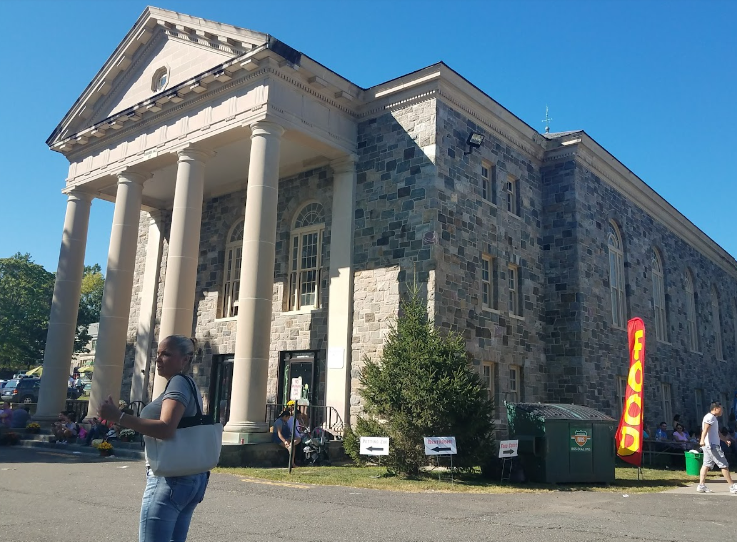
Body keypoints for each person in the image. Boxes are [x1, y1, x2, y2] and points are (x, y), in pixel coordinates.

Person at [98, 335, 209, 542]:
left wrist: (119, 417)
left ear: (185, 360)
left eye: (166, 354)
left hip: (170, 478)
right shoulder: (188, 384)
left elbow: (166, 428)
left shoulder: (178, 383)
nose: (158, 359)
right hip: (190, 477)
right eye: (158, 354)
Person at [697, 402, 737, 494]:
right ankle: (732, 486)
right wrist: (702, 440)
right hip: (712, 445)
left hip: (709, 445)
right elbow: (705, 430)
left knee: (706, 465)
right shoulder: (710, 417)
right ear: (715, 408)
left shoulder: (713, 418)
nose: (722, 411)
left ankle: (701, 485)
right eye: (721, 409)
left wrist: (725, 440)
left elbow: (717, 433)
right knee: (724, 464)